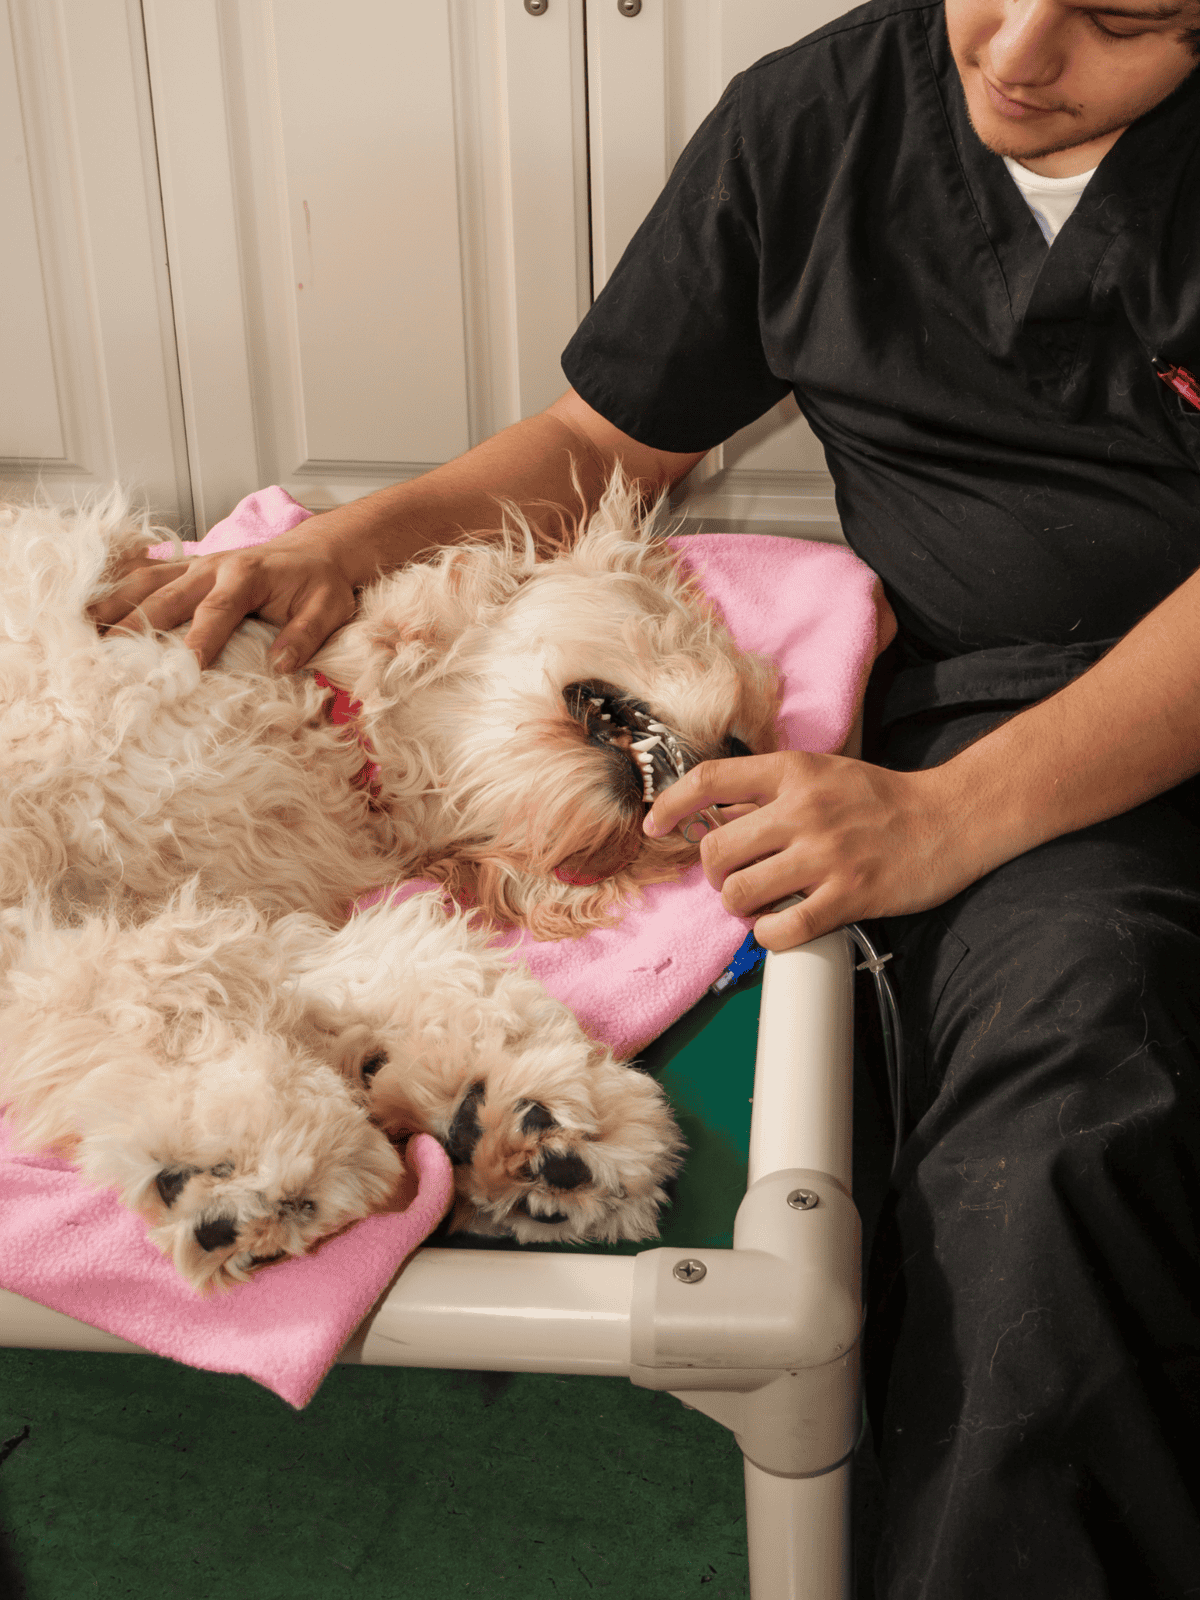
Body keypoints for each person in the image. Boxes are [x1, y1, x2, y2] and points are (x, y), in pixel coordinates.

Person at [95, 1, 1200, 1591]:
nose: (1019, 53)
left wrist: (955, 822)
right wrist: (354, 539)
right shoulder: (816, 117)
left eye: (1120, 18)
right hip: (941, 696)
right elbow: (603, 438)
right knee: (965, 1118)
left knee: (1080, 1092)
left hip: (1120, 734)